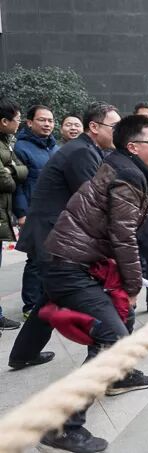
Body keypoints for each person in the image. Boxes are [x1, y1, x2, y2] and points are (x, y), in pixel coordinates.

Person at [38, 114, 148, 453]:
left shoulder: (126, 169)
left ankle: (119, 375)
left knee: (121, 320)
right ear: (133, 147)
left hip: (77, 262)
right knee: (113, 337)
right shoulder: (127, 176)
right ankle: (62, 427)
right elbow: (123, 236)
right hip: (70, 267)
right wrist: (134, 286)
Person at [9, 101, 120, 370]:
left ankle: (22, 354)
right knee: (95, 297)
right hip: (56, 239)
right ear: (94, 127)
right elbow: (94, 202)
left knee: (51, 297)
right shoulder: (81, 153)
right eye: (115, 127)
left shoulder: (86, 150)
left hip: (55, 235)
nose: (119, 132)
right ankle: (104, 366)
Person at [13, 105, 58, 317]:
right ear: (29, 122)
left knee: (52, 259)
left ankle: (47, 303)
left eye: (50, 120)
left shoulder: (55, 148)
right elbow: (18, 185)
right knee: (35, 260)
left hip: (55, 213)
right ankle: (31, 306)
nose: (47, 124)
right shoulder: (21, 148)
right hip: (34, 213)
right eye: (42, 120)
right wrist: (22, 213)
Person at [0, 98, 27, 330]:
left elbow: (23, 171)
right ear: (4, 121)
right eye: (17, 119)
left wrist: (10, 170)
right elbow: (6, 182)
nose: (19, 123)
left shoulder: (6, 143)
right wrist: (12, 172)